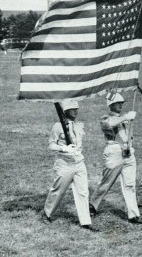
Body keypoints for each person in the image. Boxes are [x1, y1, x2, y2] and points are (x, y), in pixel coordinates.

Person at [89, 93, 142, 224]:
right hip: (114, 152)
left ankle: (133, 214)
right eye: (117, 103)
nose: (120, 105)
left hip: (128, 152)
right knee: (106, 182)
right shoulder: (106, 118)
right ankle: (93, 204)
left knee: (130, 184)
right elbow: (109, 124)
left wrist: (128, 120)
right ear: (110, 105)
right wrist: (126, 117)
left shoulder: (124, 118)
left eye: (122, 103)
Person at [42, 99, 97, 231]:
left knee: (83, 192)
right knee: (58, 190)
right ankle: (47, 213)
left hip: (79, 162)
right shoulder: (57, 126)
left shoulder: (79, 125)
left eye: (76, 109)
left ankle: (85, 221)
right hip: (64, 163)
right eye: (72, 109)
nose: (75, 111)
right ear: (65, 111)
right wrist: (64, 149)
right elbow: (51, 144)